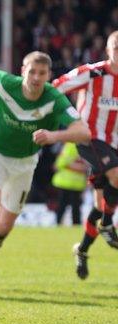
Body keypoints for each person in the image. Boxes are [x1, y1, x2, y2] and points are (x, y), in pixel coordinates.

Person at [0, 51, 91, 289]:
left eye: (41, 73)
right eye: (31, 71)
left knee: (4, 228)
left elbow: (83, 131)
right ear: (23, 71)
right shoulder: (5, 83)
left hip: (25, 163)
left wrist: (54, 135)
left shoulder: (53, 99)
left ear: (48, 76)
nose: (35, 77)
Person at [52, 31, 118, 279]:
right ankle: (109, 225)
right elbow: (56, 88)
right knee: (116, 176)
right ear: (108, 50)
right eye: (116, 47)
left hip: (113, 144)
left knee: (99, 206)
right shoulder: (93, 72)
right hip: (89, 137)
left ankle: (82, 250)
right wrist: (67, 118)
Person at [51, 143, 87, 226]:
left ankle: (60, 224)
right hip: (66, 182)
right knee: (66, 205)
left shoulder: (71, 145)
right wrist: (80, 168)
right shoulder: (71, 146)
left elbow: (59, 164)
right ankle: (59, 224)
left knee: (72, 206)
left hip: (75, 183)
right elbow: (60, 163)